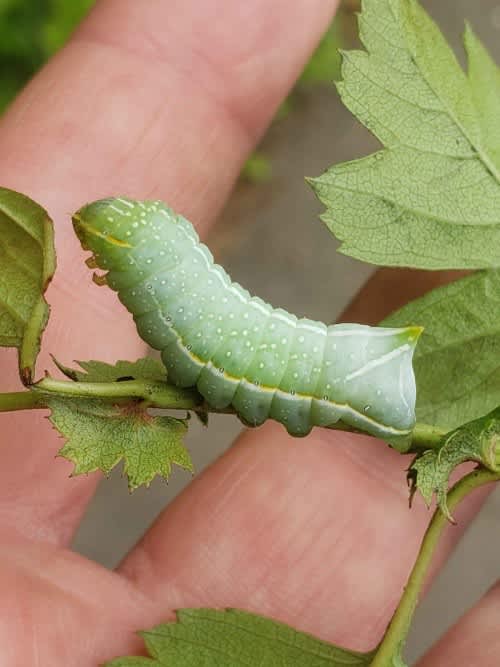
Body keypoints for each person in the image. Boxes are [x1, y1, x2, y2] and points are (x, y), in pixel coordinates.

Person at [0, 1, 495, 664]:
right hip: (348, 366)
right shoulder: (172, 290)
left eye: (107, 258)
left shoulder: (172, 296)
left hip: (356, 375)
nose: (98, 263)